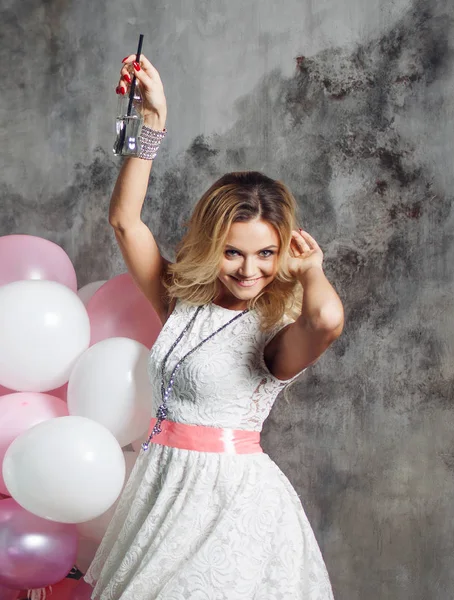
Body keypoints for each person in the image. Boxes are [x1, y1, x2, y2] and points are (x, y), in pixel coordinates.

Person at [83, 54, 344, 599]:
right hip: (165, 490)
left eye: (267, 253)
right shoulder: (184, 300)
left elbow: (326, 320)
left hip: (232, 503)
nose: (250, 270)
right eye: (233, 252)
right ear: (211, 245)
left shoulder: (278, 329)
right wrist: (154, 121)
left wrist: (312, 273)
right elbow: (124, 221)